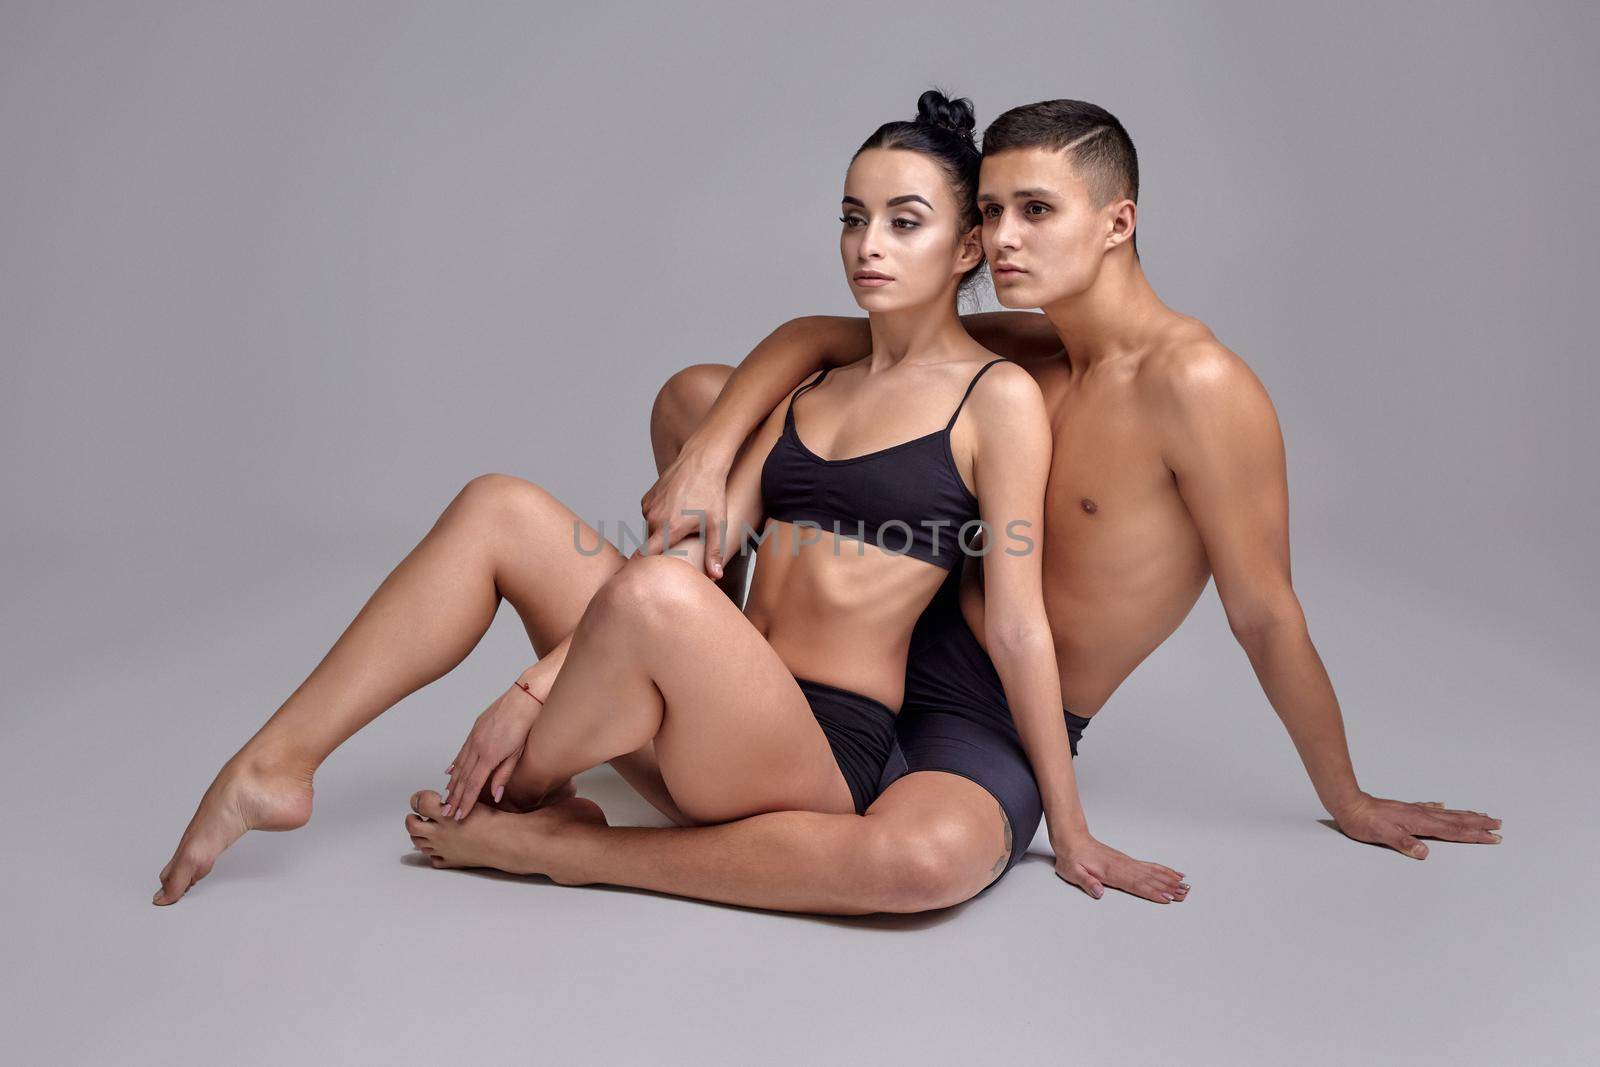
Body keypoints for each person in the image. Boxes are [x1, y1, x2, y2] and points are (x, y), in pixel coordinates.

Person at [398, 99, 1500, 914]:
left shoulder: (1197, 386)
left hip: (987, 715)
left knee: (921, 866)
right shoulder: (1028, 341)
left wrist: (1345, 795)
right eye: (990, 213)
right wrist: (707, 452)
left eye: (1035, 211)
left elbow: (1264, 612)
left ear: (1117, 221)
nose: (1003, 241)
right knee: (700, 395)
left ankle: (568, 849)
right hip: (865, 660)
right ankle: (680, 648)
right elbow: (813, 339)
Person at [155, 92, 1177, 906]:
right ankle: (272, 763)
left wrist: (1069, 823)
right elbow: (691, 553)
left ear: (963, 251)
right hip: (707, 700)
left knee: (660, 602)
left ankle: (535, 807)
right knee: (500, 505)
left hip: (815, 753)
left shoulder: (993, 399)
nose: (868, 243)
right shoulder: (809, 378)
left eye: (904, 222)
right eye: (853, 217)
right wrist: (544, 683)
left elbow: (1018, 624)